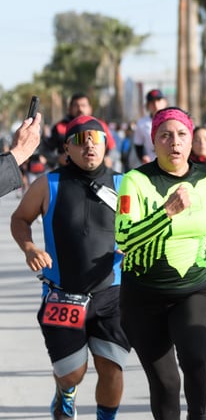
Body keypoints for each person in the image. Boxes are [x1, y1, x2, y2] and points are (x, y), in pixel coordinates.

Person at [116, 107, 206, 420]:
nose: (174, 142)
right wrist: (165, 212)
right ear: (153, 142)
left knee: (197, 359)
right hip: (144, 296)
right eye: (165, 135)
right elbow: (124, 239)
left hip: (194, 288)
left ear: (192, 139)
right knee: (167, 384)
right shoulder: (136, 181)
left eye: (182, 134)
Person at [10, 115, 128, 420]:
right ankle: (65, 391)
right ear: (66, 148)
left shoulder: (125, 184)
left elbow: (142, 228)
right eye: (79, 139)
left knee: (111, 366)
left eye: (95, 138)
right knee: (72, 373)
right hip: (63, 295)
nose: (88, 144)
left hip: (112, 294)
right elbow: (19, 219)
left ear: (106, 144)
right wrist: (30, 247)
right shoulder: (48, 184)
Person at [0, 112, 43, 197]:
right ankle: (24, 190)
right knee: (24, 176)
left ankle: (25, 189)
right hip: (19, 161)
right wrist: (20, 152)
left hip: (25, 161)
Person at [133, 89, 168, 165]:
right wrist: (143, 156)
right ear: (147, 105)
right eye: (152, 102)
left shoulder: (173, 120)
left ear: (165, 102)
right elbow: (138, 144)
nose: (156, 105)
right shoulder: (142, 123)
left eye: (158, 100)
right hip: (151, 162)